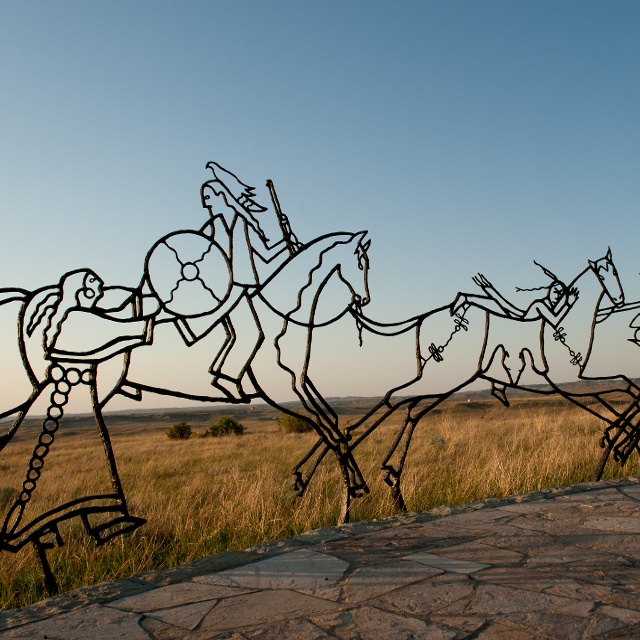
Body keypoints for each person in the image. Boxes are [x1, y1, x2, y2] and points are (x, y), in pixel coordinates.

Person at [451, 261, 579, 328]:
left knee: (495, 303)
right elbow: (555, 320)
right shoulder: (540, 305)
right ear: (549, 291)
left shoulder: (545, 306)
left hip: (517, 316)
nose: (557, 296)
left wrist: (492, 291)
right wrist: (569, 303)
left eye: (561, 295)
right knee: (496, 304)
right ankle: (467, 298)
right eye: (555, 292)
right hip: (516, 319)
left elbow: (554, 315)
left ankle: (468, 297)